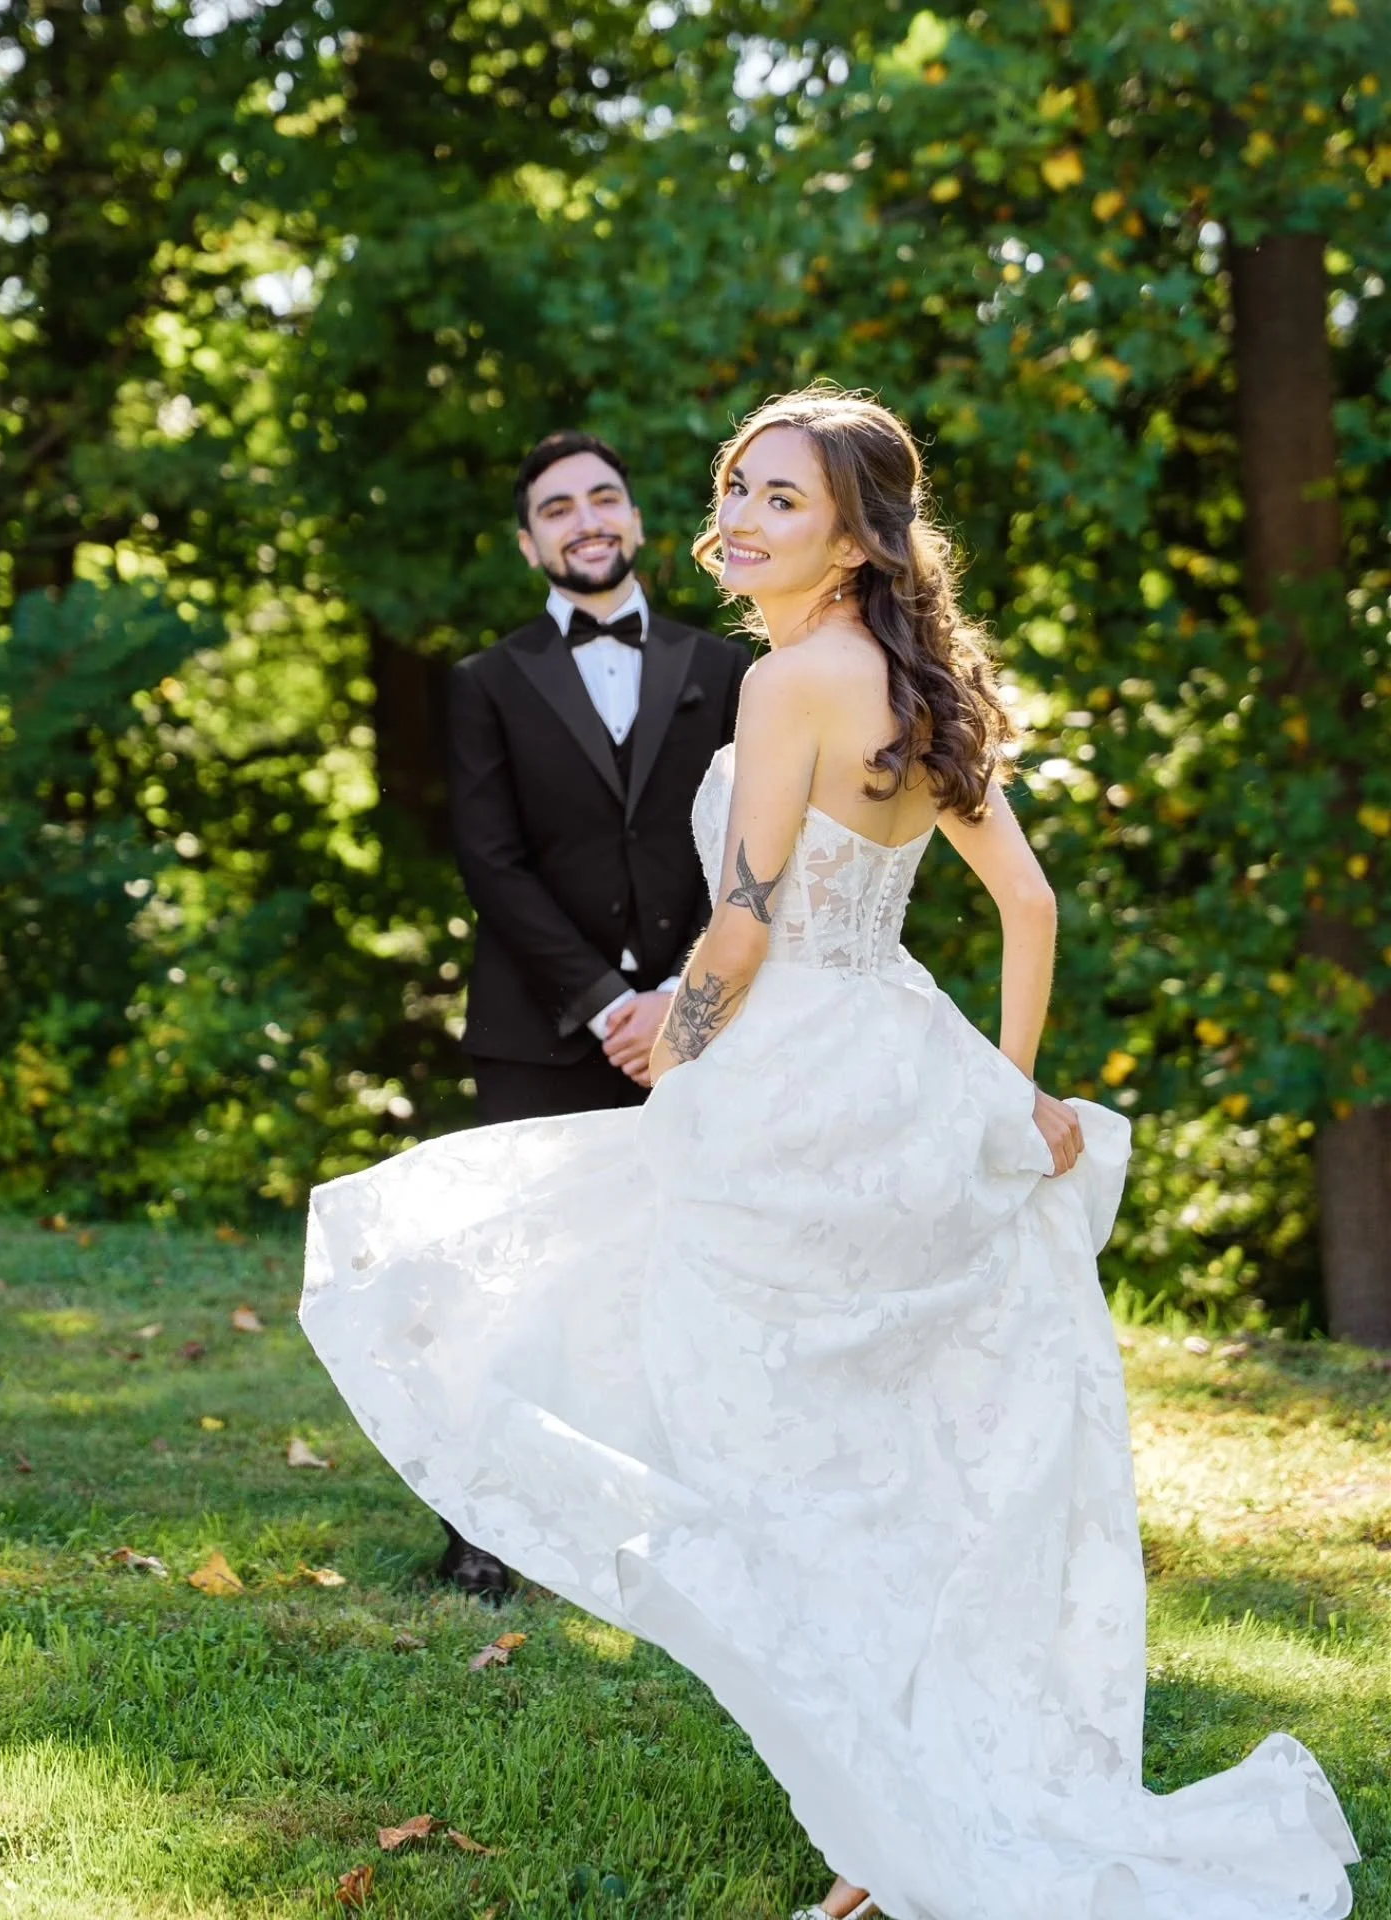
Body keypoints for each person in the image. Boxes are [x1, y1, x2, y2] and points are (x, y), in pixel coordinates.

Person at [302, 387, 1357, 1920]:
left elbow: (743, 922)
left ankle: (890, 1803)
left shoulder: (790, 678)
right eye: (733, 486)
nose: (734, 515)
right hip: (903, 1062)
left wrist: (682, 1037)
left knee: (754, 1442)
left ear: (856, 536)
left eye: (776, 499)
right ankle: (896, 1813)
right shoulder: (915, 684)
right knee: (896, 1456)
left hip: (793, 1075)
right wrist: (1005, 1096)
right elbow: (1031, 908)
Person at [436, 430, 748, 1594]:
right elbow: (489, 860)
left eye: (602, 498)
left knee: (693, 1271)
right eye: (557, 509)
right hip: (541, 1025)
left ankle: (686, 1523)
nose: (584, 521)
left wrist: (679, 999)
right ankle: (489, 1526)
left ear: (638, 521)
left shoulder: (730, 672)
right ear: (531, 543)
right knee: (522, 1283)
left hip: (706, 1021)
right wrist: (608, 999)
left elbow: (755, 852)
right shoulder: (486, 684)